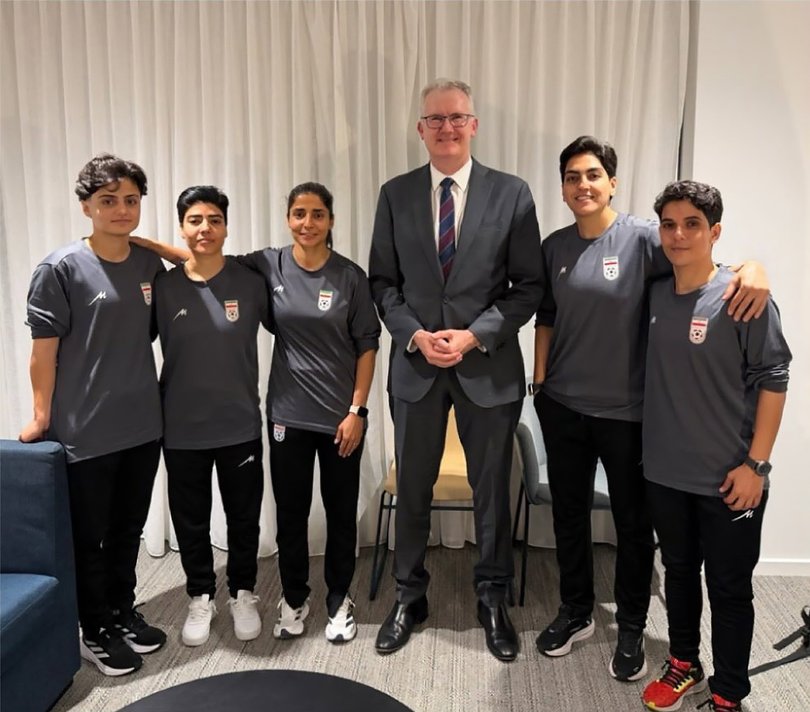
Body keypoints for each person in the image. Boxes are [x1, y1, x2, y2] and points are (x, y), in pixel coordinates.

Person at [532, 136, 770, 682]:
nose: (582, 185)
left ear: (612, 181)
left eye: (593, 175)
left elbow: (701, 265)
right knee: (568, 515)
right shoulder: (554, 246)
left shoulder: (645, 237)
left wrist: (754, 267)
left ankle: (634, 624)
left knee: (633, 526)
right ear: (563, 187)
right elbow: (545, 316)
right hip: (564, 406)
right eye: (572, 177)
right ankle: (575, 611)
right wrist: (541, 383)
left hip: (630, 414)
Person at [134, 182, 380, 644]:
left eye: (318, 214)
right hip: (283, 414)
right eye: (299, 213)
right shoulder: (267, 264)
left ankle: (334, 597)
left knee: (338, 512)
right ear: (288, 218)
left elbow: (368, 344)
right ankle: (290, 597)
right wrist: (144, 243)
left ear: (330, 220)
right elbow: (202, 258)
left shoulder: (346, 276)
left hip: (337, 418)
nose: (308, 223)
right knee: (287, 514)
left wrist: (358, 409)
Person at [368, 78, 544, 662]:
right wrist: (414, 335)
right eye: (435, 119)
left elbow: (529, 289)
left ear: (474, 125)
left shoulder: (512, 194)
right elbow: (382, 283)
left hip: (487, 368)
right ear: (421, 129)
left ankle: (491, 597)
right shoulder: (394, 195)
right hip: (417, 366)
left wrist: (474, 335)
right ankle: (408, 596)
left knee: (491, 490)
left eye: (457, 117)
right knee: (413, 487)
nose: (446, 127)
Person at [640, 181, 790, 712]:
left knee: (729, 590)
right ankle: (684, 662)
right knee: (679, 574)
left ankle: (728, 693)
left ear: (715, 232)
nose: (679, 235)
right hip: (664, 472)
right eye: (669, 224)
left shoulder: (742, 297)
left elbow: (774, 378)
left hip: (731, 478)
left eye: (692, 225)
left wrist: (757, 464)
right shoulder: (655, 292)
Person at [20, 153, 167, 676]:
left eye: (131, 200)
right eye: (109, 201)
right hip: (85, 429)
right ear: (86, 206)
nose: (122, 210)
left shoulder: (150, 267)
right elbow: (43, 351)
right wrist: (41, 417)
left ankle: (122, 610)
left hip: (143, 424)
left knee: (129, 528)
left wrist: (149, 244)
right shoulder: (59, 269)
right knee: (91, 536)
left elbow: (199, 270)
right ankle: (93, 626)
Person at [154, 186, 271, 647]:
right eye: (195, 220)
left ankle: (243, 592)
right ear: (182, 227)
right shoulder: (162, 287)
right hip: (181, 428)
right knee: (191, 519)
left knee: (244, 518)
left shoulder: (250, 281)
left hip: (239, 424)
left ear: (226, 226)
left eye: (214, 220)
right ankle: (200, 595)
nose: (205, 228)